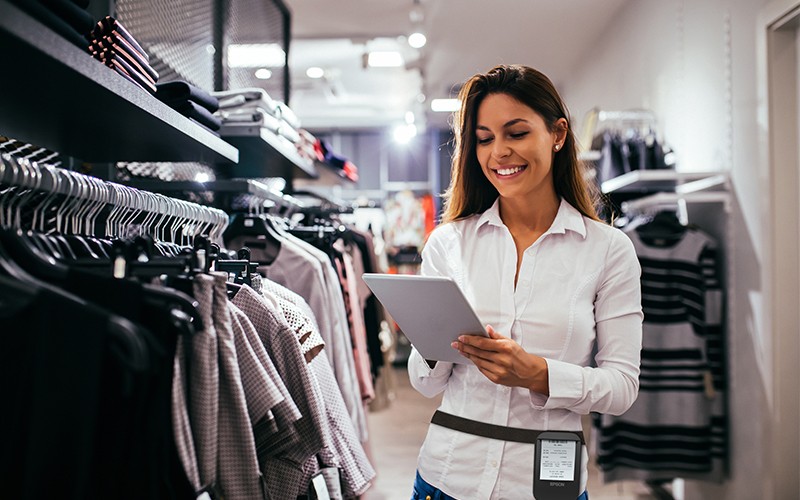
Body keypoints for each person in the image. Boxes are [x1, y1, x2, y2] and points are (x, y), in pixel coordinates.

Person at [408, 64, 643, 499]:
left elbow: (622, 387)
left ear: (557, 134)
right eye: (484, 139)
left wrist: (539, 374)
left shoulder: (608, 250)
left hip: (544, 485)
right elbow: (425, 384)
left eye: (516, 133)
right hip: (446, 477)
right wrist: (434, 341)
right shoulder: (449, 243)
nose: (499, 152)